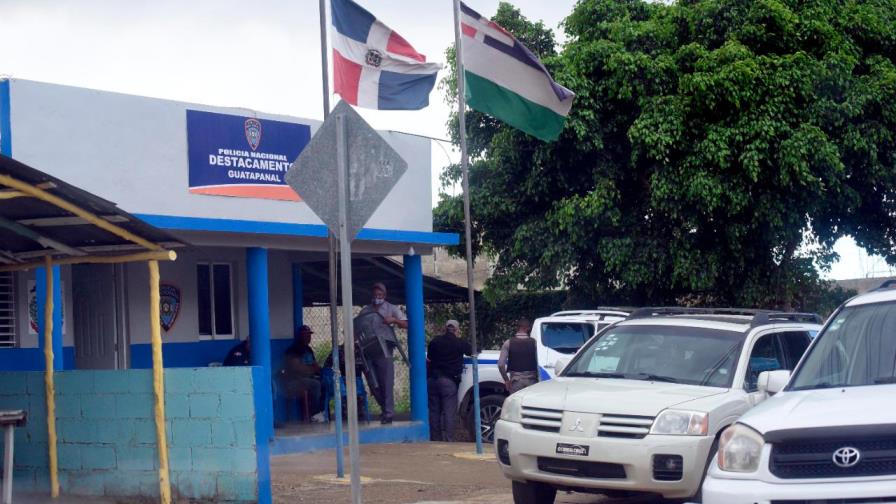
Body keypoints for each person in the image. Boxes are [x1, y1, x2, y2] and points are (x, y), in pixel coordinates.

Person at [359, 282, 407, 424]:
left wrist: (394, 320)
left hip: (385, 350)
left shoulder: (391, 308)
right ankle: (384, 408)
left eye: (380, 295)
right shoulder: (366, 310)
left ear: (384, 296)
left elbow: (406, 324)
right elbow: (357, 326)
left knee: (386, 383)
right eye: (375, 295)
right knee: (373, 384)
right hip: (368, 351)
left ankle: (388, 413)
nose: (377, 297)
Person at [427, 320, 473, 442]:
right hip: (448, 382)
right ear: (456, 330)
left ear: (445, 328)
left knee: (434, 411)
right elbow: (472, 351)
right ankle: (449, 440)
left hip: (432, 380)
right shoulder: (459, 343)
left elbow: (429, 358)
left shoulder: (435, 341)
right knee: (449, 412)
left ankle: (435, 439)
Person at [280, 325, 325, 423]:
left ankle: (321, 411)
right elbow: (297, 369)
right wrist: (310, 370)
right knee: (315, 384)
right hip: (293, 382)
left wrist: (311, 370)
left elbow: (316, 366)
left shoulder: (308, 350)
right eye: (305, 335)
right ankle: (314, 414)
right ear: (300, 336)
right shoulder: (293, 350)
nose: (308, 337)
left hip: (306, 379)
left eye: (309, 335)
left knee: (325, 383)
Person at [498, 318, 539, 393]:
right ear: (528, 328)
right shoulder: (535, 343)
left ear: (517, 327)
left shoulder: (508, 343)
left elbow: (501, 365)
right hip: (532, 382)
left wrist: (507, 380)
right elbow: (539, 363)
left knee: (516, 404)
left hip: (515, 382)